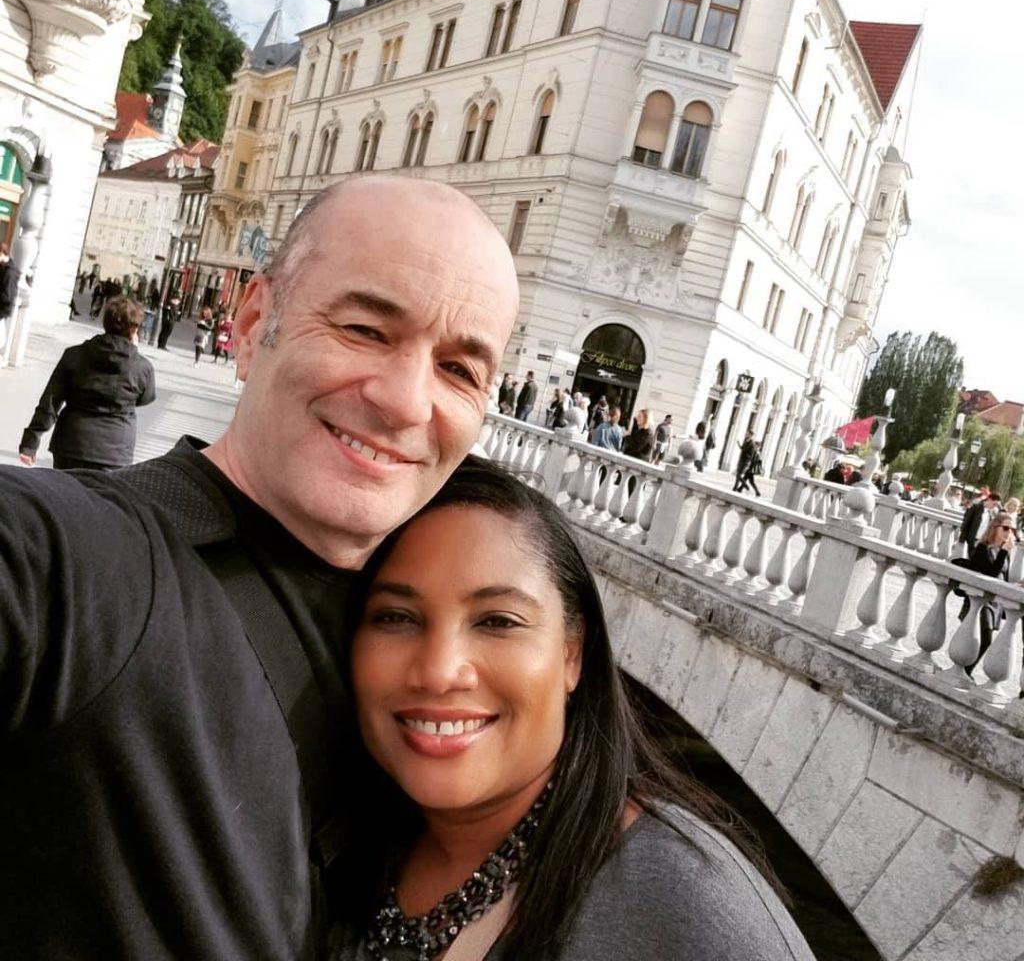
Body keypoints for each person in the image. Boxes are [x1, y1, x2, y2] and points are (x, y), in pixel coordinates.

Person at [0, 175, 520, 960]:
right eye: (365, 330)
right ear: (252, 323)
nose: (409, 402)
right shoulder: (91, 562)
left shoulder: (445, 653)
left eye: (459, 370)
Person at [331, 460, 815, 961]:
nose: (439, 671)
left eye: (498, 621)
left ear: (572, 653)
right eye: (395, 617)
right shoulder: (330, 827)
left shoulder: (682, 904)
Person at [18, 296, 156, 470]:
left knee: (63, 494)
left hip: (71, 443)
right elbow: (146, 398)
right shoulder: (142, 367)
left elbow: (51, 401)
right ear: (134, 329)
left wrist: (31, 441)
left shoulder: (74, 355)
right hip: (114, 452)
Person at [954, 512, 1015, 676]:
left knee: (985, 640)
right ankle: (965, 671)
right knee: (982, 638)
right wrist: (1003, 552)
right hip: (981, 600)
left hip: (994, 602)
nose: (1009, 532)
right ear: (995, 528)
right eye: (1006, 528)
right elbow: (990, 575)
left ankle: (966, 672)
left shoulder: (1005, 552)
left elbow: (1003, 577)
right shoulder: (983, 548)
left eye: (1011, 529)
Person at [0, 241, 20, 346]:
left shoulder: (9, 272)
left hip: (2, 308)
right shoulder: (4, 267)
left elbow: (7, 295)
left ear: (2, 253)